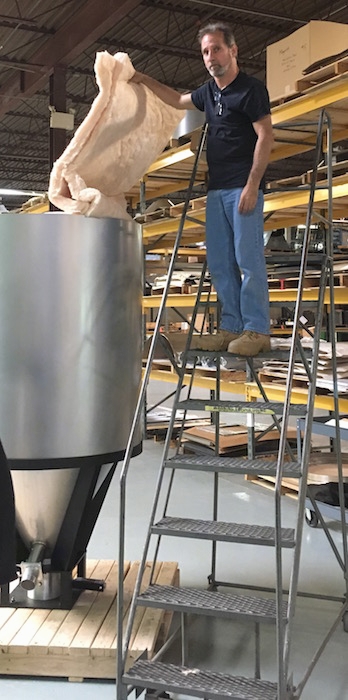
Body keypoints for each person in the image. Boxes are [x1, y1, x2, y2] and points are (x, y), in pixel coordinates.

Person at [131, 21, 274, 356]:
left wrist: (253, 185)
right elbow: (178, 101)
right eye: (206, 52)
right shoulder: (209, 92)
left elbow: (266, 136)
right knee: (221, 261)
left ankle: (257, 329)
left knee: (248, 259)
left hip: (243, 186)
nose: (211, 57)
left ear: (233, 50)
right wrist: (143, 79)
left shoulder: (250, 89)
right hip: (216, 189)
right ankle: (231, 326)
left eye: (217, 49)